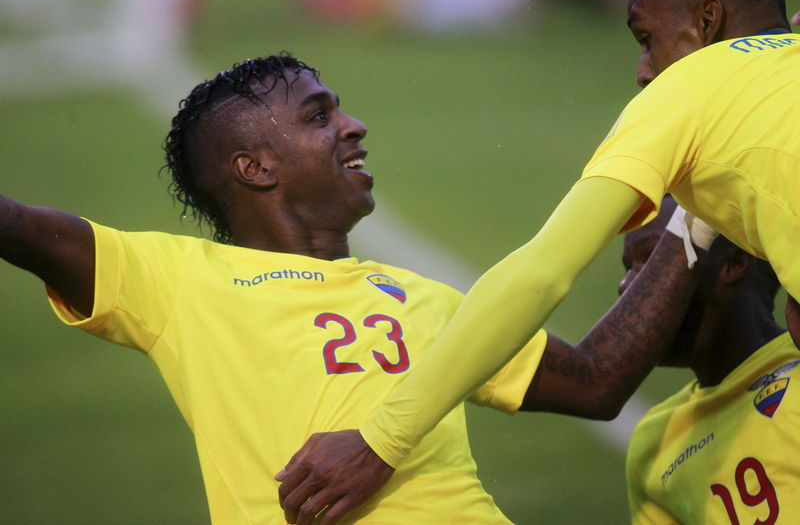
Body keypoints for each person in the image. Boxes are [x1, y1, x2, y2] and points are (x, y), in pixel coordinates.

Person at [0, 53, 712, 524]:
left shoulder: (428, 299)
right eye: (320, 116)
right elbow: (23, 228)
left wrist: (701, 215)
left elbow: (596, 382)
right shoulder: (175, 281)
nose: (354, 126)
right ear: (254, 168)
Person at [275, 0, 800, 521]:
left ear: (708, 21)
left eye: (647, 39)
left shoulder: (685, 91)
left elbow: (539, 274)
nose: (643, 72)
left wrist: (381, 441)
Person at [621, 198, 800, 524]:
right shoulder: (653, 444)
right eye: (627, 268)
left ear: (733, 262)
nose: (626, 288)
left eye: (654, 264)